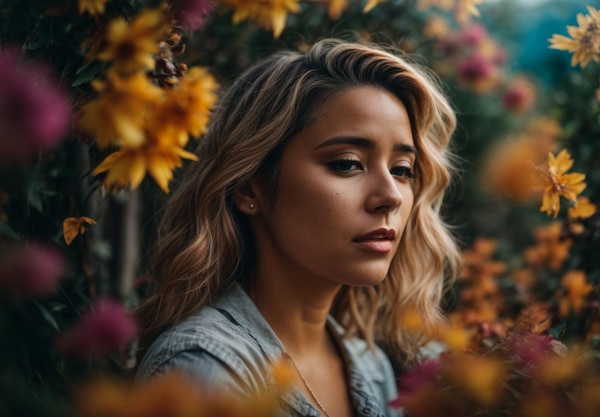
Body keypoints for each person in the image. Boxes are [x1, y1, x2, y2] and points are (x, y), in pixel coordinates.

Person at [135, 38, 459, 417]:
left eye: (402, 170)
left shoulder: (372, 368)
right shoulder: (203, 371)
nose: (391, 196)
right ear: (248, 186)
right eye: (347, 163)